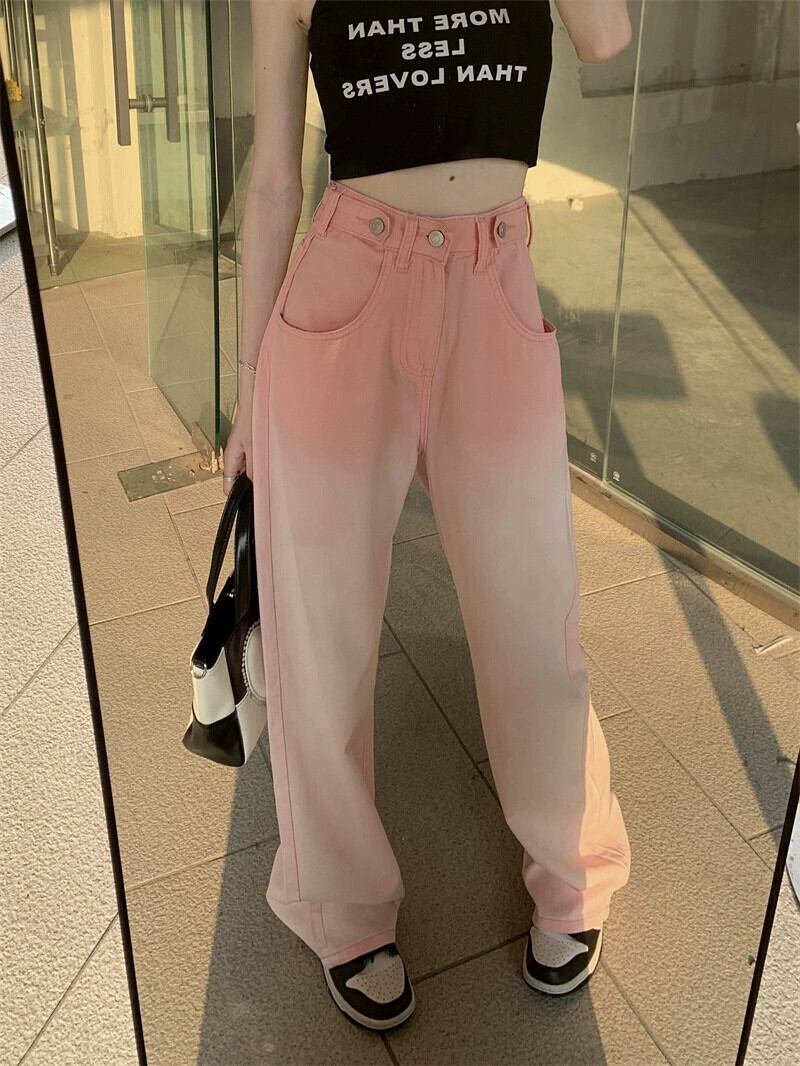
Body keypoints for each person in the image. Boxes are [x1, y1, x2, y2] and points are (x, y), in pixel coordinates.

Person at [223, 0, 633, 1032]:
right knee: (321, 637)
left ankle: (575, 867)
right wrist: (247, 386)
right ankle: (342, 904)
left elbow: (605, 35)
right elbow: (272, 178)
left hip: (493, 280)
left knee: (533, 616)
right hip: (343, 291)